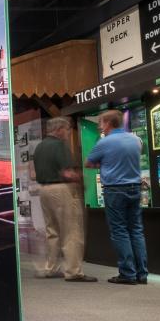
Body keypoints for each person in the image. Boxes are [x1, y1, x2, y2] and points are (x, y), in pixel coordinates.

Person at [85, 109, 148, 285]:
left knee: (119, 230)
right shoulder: (136, 139)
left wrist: (105, 163)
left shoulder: (104, 142)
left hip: (114, 189)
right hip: (135, 188)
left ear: (108, 123)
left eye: (101, 123)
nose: (100, 127)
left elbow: (88, 163)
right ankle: (142, 273)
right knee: (136, 230)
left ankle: (128, 273)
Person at [32, 117, 95, 283]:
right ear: (59, 129)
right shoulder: (59, 145)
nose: (68, 133)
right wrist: (81, 180)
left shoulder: (40, 146)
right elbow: (67, 172)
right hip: (61, 189)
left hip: (44, 190)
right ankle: (73, 271)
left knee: (52, 231)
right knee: (71, 230)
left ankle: (50, 268)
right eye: (67, 129)